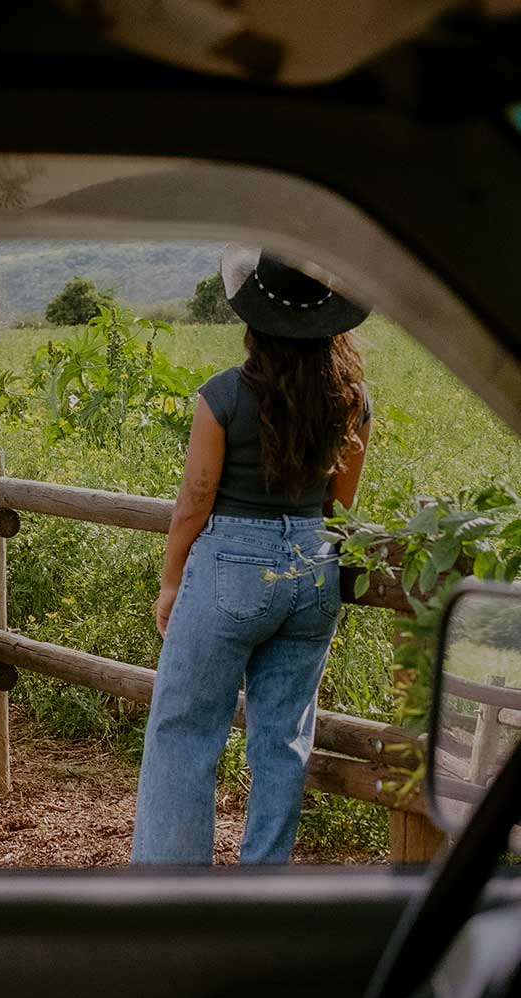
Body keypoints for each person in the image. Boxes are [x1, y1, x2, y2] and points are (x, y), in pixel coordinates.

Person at [131, 247, 373, 866]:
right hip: (315, 567)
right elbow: (339, 509)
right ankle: (260, 888)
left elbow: (195, 501)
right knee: (283, 739)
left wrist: (170, 582)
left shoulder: (222, 397)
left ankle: (171, 900)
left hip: (229, 569)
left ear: (254, 318)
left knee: (185, 732)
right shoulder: (351, 401)